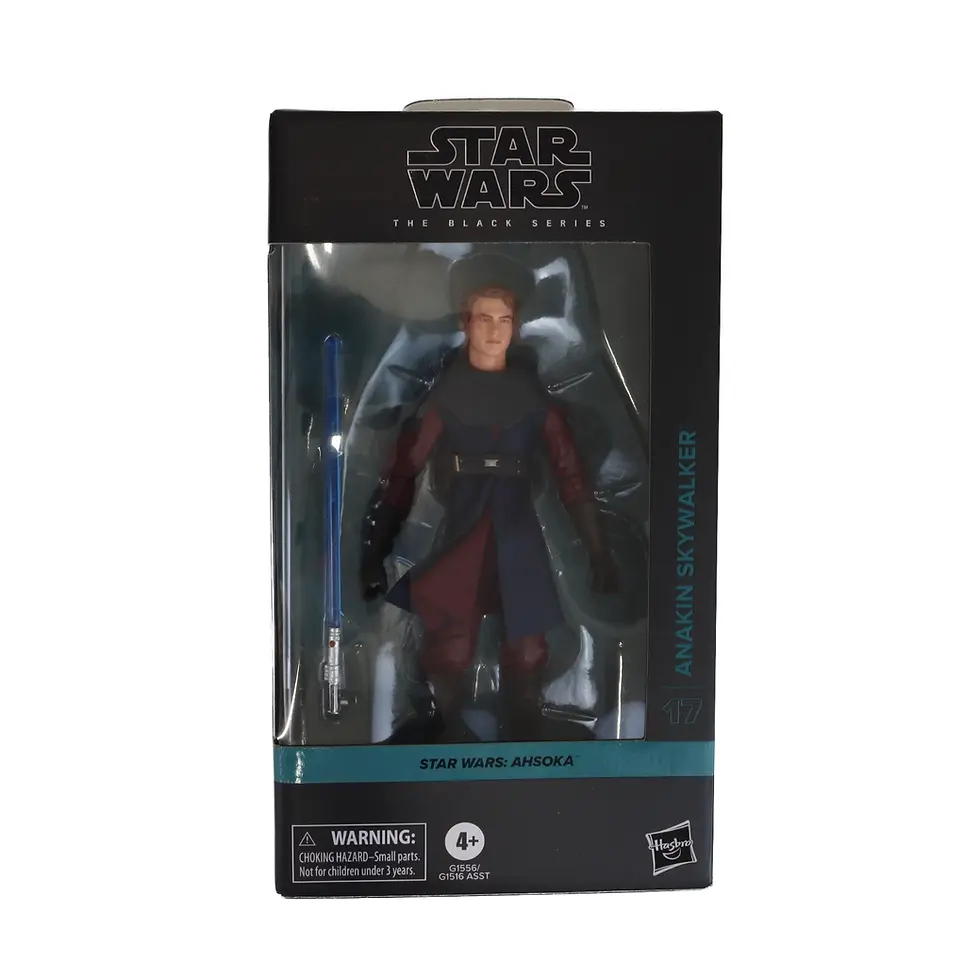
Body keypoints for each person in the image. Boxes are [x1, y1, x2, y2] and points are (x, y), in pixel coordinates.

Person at [360, 253, 617, 741]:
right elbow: (403, 473)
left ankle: (524, 724)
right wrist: (376, 552)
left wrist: (599, 552)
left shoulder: (533, 398)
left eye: (504, 320)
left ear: (515, 327)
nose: (495, 330)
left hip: (518, 530)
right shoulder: (445, 397)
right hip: (465, 526)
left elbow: (571, 475)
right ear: (466, 323)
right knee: (451, 642)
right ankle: (449, 726)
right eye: (484, 319)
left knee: (528, 646)